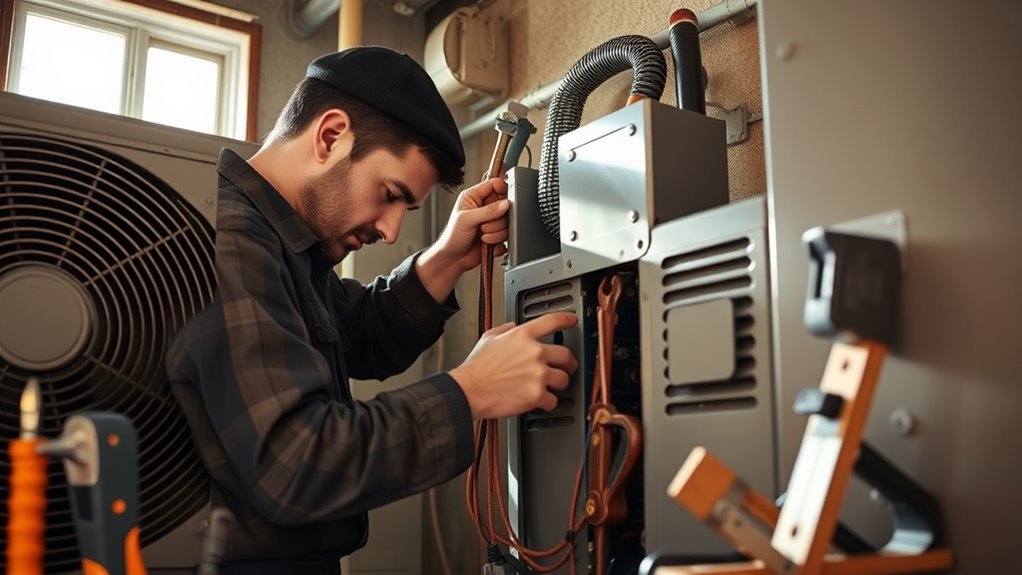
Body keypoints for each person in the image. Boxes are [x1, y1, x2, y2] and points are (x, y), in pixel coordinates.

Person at [166, 46, 578, 575]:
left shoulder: (282, 245)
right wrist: (471, 390)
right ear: (331, 135)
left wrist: (444, 257)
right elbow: (297, 464)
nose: (390, 231)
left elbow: (355, 333)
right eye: (389, 194)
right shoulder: (232, 242)